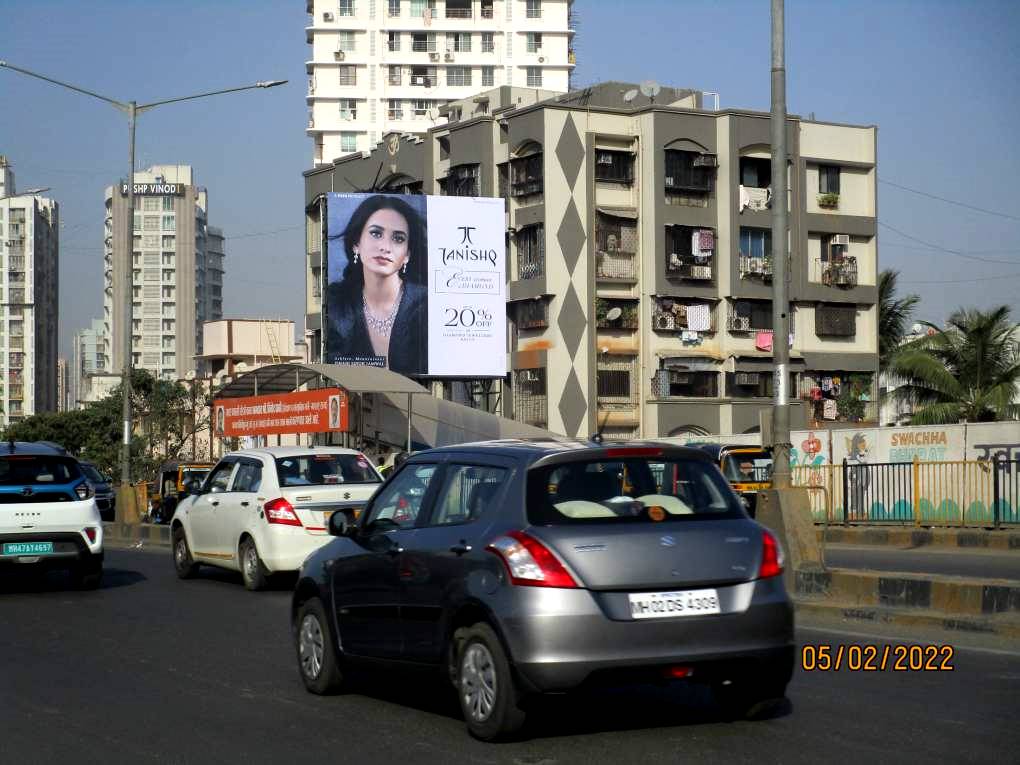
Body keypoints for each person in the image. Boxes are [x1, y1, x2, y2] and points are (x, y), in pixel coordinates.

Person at [325, 195, 428, 376]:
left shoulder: (427, 304)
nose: (385, 247)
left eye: (398, 238)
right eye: (376, 233)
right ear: (356, 243)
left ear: (407, 255)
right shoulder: (336, 303)